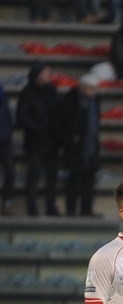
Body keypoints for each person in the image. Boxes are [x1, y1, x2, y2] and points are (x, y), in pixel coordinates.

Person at [17, 61, 62, 216]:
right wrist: (38, 128)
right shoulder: (27, 92)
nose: (48, 76)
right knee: (33, 176)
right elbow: (22, 116)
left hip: (52, 141)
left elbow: (58, 113)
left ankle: (51, 206)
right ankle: (32, 208)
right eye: (45, 73)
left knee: (52, 177)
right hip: (35, 141)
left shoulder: (52, 91)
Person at [59, 73, 103, 217]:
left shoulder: (95, 102)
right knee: (75, 180)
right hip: (76, 146)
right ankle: (71, 210)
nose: (93, 92)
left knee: (89, 181)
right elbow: (66, 124)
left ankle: (86, 209)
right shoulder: (71, 100)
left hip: (90, 144)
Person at [0, 84, 14, 215]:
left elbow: (6, 113)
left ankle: (7, 203)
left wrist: (8, 131)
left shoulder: (1, 90)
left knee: (10, 171)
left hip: (4, 137)